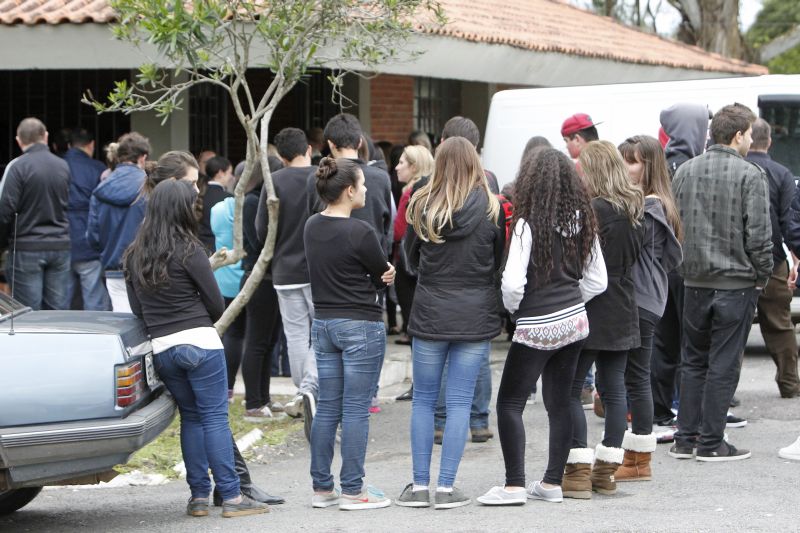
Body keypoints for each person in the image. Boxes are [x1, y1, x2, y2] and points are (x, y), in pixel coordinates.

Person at [124, 178, 267, 519]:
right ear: (181, 210)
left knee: (191, 418)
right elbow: (217, 304)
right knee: (215, 417)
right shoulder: (190, 251)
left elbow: (137, 311)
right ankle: (232, 498)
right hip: (201, 344)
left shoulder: (133, 255)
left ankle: (199, 497)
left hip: (163, 350)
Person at [477, 148, 607, 506]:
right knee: (561, 401)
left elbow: (511, 282)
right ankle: (552, 482)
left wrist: (518, 311)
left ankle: (514, 485)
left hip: (536, 321)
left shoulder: (526, 222)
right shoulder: (583, 219)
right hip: (575, 320)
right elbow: (598, 280)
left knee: (509, 402)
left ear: (530, 182)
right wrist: (570, 298)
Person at [396, 137, 504, 510]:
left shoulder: (421, 204)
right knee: (460, 403)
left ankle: (419, 485)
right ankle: (446, 487)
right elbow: (498, 260)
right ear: (475, 163)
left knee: (424, 401)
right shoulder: (492, 207)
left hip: (429, 311)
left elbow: (408, 259)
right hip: (475, 314)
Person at [670, 104, 772, 462]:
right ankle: (712, 442)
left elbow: (673, 228)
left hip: (693, 281)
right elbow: (759, 236)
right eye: (747, 134)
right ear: (738, 136)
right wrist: (761, 277)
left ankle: (686, 438)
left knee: (693, 361)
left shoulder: (683, 171)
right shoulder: (750, 174)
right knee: (723, 364)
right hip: (735, 283)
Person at [304, 157, 396, 510]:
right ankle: (354, 489)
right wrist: (386, 275)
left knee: (328, 406)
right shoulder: (360, 231)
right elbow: (380, 272)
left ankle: (322, 488)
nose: (367, 189)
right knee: (356, 409)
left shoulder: (312, 226)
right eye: (362, 184)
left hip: (324, 324)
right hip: (360, 324)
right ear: (348, 191)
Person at [564, 140, 644, 498]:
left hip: (591, 304)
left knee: (570, 389)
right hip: (624, 305)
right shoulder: (633, 207)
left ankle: (578, 469)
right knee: (615, 390)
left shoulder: (591, 211)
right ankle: (606, 470)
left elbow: (582, 266)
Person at [615, 135, 683, 481]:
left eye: (633, 161)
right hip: (645, 297)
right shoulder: (654, 202)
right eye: (624, 160)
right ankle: (634, 457)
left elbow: (626, 251)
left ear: (649, 165)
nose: (626, 167)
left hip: (639, 299)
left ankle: (638, 459)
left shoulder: (649, 206)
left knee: (635, 377)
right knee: (632, 376)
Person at [432, 116, 500, 445]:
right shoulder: (490, 190)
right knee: (479, 358)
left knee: (443, 358)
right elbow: (497, 246)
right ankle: (479, 419)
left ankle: (441, 422)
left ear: (444, 144)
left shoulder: (427, 192)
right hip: (478, 290)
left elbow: (411, 249)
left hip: (438, 292)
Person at [651, 103, 710, 430]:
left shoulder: (659, 165)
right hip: (687, 268)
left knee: (664, 342)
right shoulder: (692, 167)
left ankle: (660, 413)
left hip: (662, 268)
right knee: (692, 345)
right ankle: (690, 417)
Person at [255, 127, 319, 428]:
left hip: (284, 270)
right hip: (319, 269)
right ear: (308, 148)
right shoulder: (321, 176)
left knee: (295, 335)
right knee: (322, 331)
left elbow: (260, 229)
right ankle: (310, 388)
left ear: (280, 156)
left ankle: (301, 391)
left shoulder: (274, 182)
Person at [746, 119, 800, 399]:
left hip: (738, 262)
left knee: (732, 330)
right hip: (773, 261)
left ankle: (725, 393)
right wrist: (795, 259)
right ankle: (790, 384)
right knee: (780, 325)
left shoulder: (738, 169)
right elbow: (790, 223)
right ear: (769, 141)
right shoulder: (781, 173)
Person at [0, 118, 71, 310]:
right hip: (60, 245)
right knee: (57, 313)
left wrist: (3, 244)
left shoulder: (17, 167)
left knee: (28, 315)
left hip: (26, 247)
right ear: (45, 136)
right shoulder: (62, 166)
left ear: (18, 140)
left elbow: (5, 210)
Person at [240, 158, 285, 422]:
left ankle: (264, 398)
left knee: (270, 342)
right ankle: (253, 402)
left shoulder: (270, 202)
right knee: (256, 342)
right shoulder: (251, 202)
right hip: (258, 277)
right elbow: (258, 242)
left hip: (273, 276)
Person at [561, 113, 602, 408]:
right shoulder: (610, 158)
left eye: (567, 140)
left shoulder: (579, 168)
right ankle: (600, 390)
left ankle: (585, 386)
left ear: (578, 138)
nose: (566, 147)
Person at [87, 132, 151, 312]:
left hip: (114, 266)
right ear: (143, 157)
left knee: (123, 321)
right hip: (146, 267)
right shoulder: (150, 186)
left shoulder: (100, 189)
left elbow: (92, 236)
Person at [392, 145, 435, 401]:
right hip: (422, 268)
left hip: (408, 270)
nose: (396, 167)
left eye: (401, 163)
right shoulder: (429, 190)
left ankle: (419, 384)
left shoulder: (411, 194)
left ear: (415, 167)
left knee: (414, 328)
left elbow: (398, 232)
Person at [63, 128, 112, 311]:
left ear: (69, 146)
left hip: (61, 240)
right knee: (94, 300)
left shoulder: (58, 166)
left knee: (62, 301)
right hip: (88, 243)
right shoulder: (97, 169)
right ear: (91, 145)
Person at [198, 156, 234, 253]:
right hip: (221, 250)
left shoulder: (198, 195)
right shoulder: (229, 199)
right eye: (229, 173)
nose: (231, 177)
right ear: (220, 173)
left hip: (199, 248)